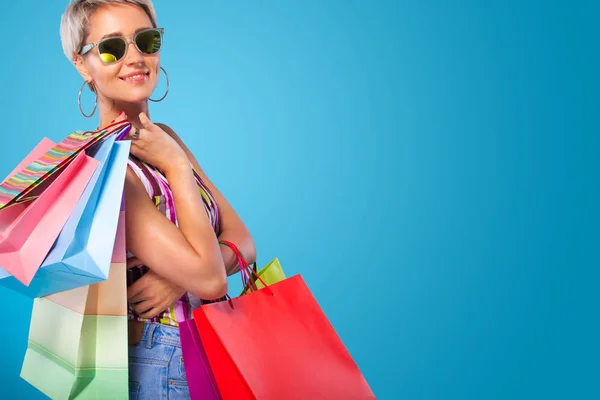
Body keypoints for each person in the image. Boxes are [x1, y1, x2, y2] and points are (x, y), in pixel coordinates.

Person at [59, 0, 256, 398]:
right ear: (83, 65)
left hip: (211, 338)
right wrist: (178, 168)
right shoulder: (107, 165)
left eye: (146, 41)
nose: (135, 58)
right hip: (163, 354)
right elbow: (212, 279)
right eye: (113, 48)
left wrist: (173, 277)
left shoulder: (166, 137)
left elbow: (246, 241)